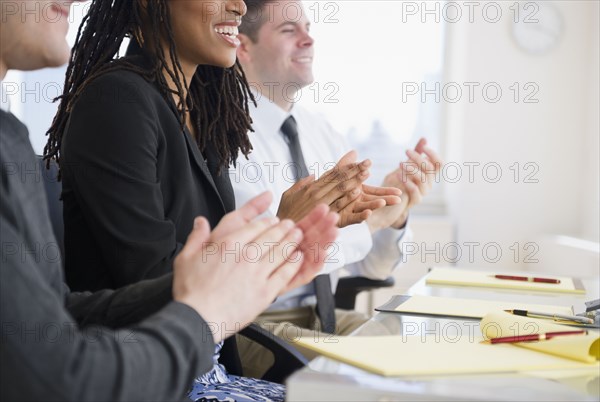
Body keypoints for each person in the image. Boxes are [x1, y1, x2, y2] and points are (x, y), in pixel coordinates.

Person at [0, 1, 340, 401]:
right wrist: (269, 242)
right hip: (152, 373)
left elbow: (64, 312)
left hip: (198, 367)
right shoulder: (117, 100)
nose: (239, 6)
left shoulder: (204, 113)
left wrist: (257, 264)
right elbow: (148, 274)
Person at [231, 0, 443, 377]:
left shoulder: (323, 133)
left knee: (426, 345)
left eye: (308, 28)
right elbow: (270, 261)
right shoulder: (226, 137)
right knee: (378, 371)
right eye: (288, 30)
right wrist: (368, 225)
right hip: (256, 324)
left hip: (325, 315)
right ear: (243, 46)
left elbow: (371, 268)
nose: (308, 39)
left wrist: (395, 212)